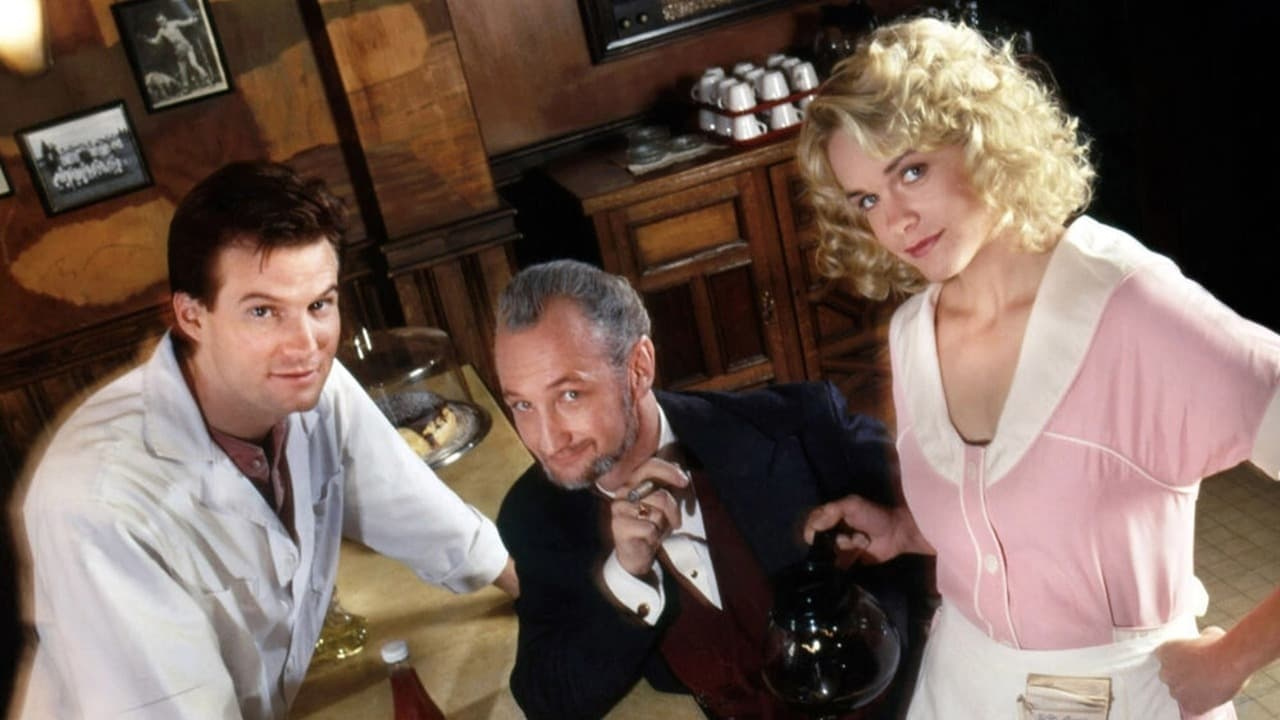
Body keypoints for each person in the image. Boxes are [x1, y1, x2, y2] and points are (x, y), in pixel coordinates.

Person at [795, 17, 1280, 720]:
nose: (895, 221)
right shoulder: (912, 334)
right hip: (960, 691)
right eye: (866, 199)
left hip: (1124, 700)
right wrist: (907, 528)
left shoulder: (1134, 309)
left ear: (984, 141)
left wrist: (1233, 659)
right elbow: (1026, 516)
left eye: (911, 171)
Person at [14, 161, 518, 719]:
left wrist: (554, 590)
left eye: (319, 305)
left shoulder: (311, 388)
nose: (305, 344)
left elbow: (423, 515)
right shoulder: (96, 505)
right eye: (262, 311)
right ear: (191, 316)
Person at [493, 259, 927, 720]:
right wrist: (627, 577)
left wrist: (881, 646)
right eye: (522, 405)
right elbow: (547, 699)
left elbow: (947, 533)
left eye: (569, 395)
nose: (547, 439)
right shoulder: (534, 516)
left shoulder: (800, 425)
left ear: (639, 367)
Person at [141, 12, 211, 90]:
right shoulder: (161, 31)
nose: (161, 22)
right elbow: (156, 41)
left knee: (194, 64)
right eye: (159, 22)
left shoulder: (173, 23)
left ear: (165, 18)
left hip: (186, 46)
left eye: (162, 20)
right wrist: (147, 39)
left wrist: (194, 19)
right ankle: (186, 86)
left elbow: (186, 22)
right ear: (158, 23)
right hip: (178, 51)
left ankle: (206, 78)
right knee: (182, 70)